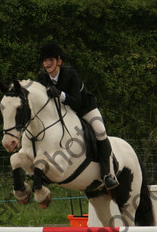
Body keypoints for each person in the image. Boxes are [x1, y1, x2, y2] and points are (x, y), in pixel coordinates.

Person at [36, 42, 118, 190]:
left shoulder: (70, 74)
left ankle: (107, 174)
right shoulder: (42, 78)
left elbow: (76, 102)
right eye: (45, 60)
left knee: (100, 130)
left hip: (84, 108)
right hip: (62, 113)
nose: (47, 64)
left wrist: (60, 94)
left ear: (59, 61)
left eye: (50, 60)